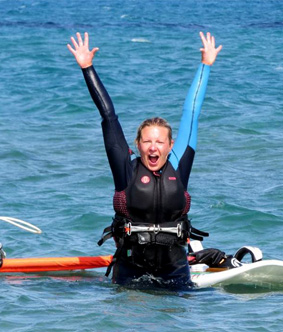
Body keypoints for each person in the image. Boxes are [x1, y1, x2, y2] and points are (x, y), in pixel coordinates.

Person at [67, 31, 223, 287]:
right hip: (131, 272)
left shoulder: (179, 164)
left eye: (159, 142)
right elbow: (109, 117)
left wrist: (205, 65)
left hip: (175, 272)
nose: (153, 148)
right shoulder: (125, 170)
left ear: (170, 145)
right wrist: (87, 68)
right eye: (147, 142)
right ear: (137, 145)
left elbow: (191, 112)